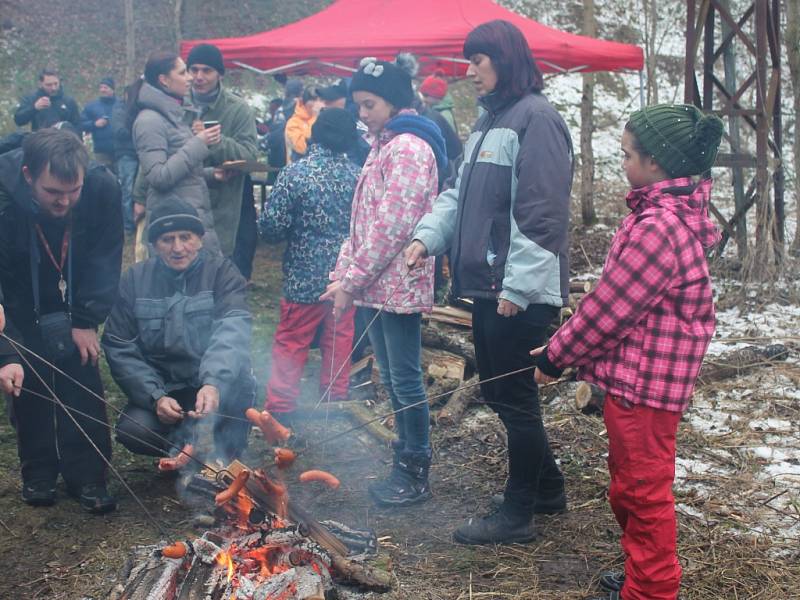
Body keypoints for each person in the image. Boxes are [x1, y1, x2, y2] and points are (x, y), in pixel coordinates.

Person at [532, 105, 724, 600]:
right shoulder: (659, 217)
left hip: (646, 388)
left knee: (642, 493)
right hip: (637, 384)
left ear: (656, 163)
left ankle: (652, 591)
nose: (622, 162)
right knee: (629, 487)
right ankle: (642, 576)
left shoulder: (658, 227)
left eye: (627, 154)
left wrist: (556, 356)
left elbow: (612, 308)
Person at [406, 20, 574, 544]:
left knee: (515, 399)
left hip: (517, 292)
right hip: (487, 287)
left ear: (503, 59)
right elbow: (458, 196)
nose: (469, 71)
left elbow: (541, 214)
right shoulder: (486, 123)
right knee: (503, 397)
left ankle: (517, 514)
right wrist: (425, 238)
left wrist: (518, 288)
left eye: (477, 61)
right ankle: (547, 491)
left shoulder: (537, 120)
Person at [322, 58, 446, 508]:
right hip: (375, 282)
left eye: (369, 104)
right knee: (392, 378)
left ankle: (414, 469)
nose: (362, 113)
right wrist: (343, 276)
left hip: (398, 283)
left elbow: (392, 226)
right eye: (358, 104)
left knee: (405, 379)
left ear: (394, 101)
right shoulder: (383, 144)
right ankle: (404, 461)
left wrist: (351, 282)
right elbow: (361, 223)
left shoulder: (409, 149)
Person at [0, 128, 123, 513]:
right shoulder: (3, 197)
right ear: (27, 175)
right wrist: (6, 350)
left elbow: (107, 254)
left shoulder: (102, 189)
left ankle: (87, 475)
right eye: (53, 192)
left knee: (81, 371)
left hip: (75, 281)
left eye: (73, 191)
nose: (65, 201)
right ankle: (38, 471)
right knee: (27, 377)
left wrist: (85, 318)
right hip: (16, 285)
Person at [102, 197, 254, 462]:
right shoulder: (135, 280)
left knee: (239, 386)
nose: (178, 248)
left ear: (200, 238)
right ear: (154, 245)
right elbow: (119, 345)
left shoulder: (222, 272)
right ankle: (183, 450)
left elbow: (232, 330)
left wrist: (213, 383)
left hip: (211, 386)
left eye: (186, 237)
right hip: (165, 389)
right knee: (133, 430)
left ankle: (224, 456)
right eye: (167, 239)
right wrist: (155, 396)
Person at [260, 108, 361, 424]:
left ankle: (279, 410)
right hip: (346, 278)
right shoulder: (359, 176)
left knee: (292, 342)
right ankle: (334, 403)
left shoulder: (295, 174)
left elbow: (271, 228)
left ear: (314, 134)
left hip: (303, 277)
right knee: (339, 339)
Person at [127, 51, 222, 255]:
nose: (190, 78)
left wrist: (211, 174)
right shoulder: (149, 121)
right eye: (182, 72)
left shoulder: (174, 116)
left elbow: (182, 173)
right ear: (164, 80)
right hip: (173, 231)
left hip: (190, 222)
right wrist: (199, 143)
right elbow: (159, 176)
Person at [185, 44, 258, 264]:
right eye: (194, 70)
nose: (199, 76)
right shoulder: (176, 104)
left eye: (206, 70)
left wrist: (215, 141)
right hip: (183, 198)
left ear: (220, 74)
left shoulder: (238, 109)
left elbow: (250, 156)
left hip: (224, 204)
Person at [14, 69, 81, 131]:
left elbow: (77, 126)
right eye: (49, 85)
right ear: (40, 84)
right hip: (40, 141)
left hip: (64, 141)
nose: (53, 88)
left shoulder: (68, 101)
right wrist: (34, 108)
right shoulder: (32, 98)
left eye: (56, 84)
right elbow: (19, 121)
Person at [111, 83, 139, 234]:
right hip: (126, 155)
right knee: (127, 190)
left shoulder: (139, 109)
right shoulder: (119, 110)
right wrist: (138, 131)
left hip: (139, 154)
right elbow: (119, 131)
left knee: (139, 190)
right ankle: (128, 226)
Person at [80, 77, 118, 169]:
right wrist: (94, 124)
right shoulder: (91, 106)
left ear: (112, 89)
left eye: (105, 87)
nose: (102, 90)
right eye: (101, 87)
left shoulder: (121, 104)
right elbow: (80, 124)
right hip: (101, 151)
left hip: (120, 150)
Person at [284, 87, 323, 163]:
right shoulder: (293, 122)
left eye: (320, 100)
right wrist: (315, 117)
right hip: (299, 170)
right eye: (313, 100)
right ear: (303, 102)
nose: (317, 103)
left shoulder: (324, 118)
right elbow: (302, 148)